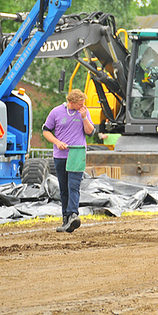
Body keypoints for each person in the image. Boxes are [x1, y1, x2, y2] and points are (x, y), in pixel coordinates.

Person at [42, 89, 96, 233]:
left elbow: (90, 132)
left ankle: (73, 215)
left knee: (74, 186)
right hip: (60, 155)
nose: (82, 106)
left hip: (77, 154)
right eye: (80, 104)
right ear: (71, 103)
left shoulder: (84, 112)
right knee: (64, 188)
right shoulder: (56, 112)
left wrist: (84, 117)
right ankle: (66, 219)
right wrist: (57, 142)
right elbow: (46, 130)